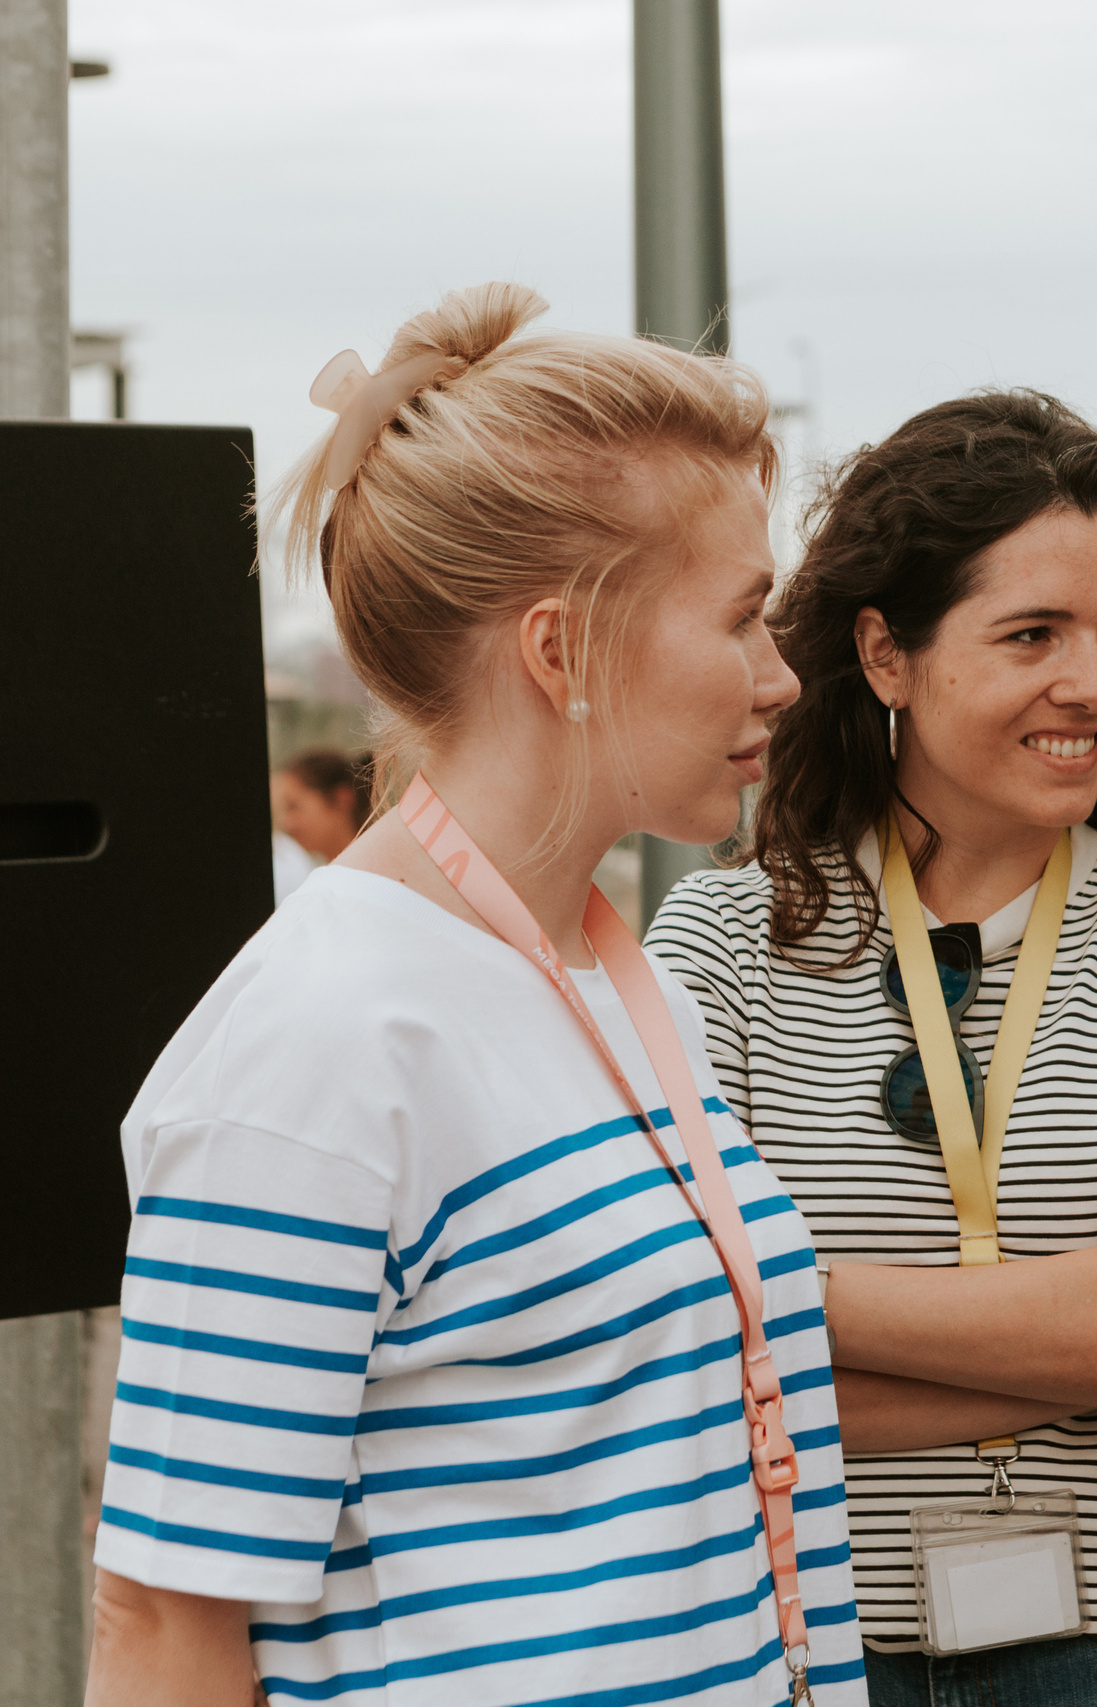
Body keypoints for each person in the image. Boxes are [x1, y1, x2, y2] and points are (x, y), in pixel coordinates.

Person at [87, 284, 865, 1706]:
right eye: (744, 619)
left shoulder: (619, 977)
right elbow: (161, 1620)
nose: (782, 679)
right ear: (560, 650)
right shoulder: (322, 1039)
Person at [645, 390, 1097, 1705]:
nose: (1094, 683)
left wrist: (773, 1289)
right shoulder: (722, 943)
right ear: (885, 654)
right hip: (813, 1652)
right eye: (1031, 634)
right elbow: (682, 1353)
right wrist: (1090, 1306)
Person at [271, 746, 371, 901]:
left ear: (341, 799)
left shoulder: (369, 877)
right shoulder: (324, 877)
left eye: (294, 806)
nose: (286, 822)